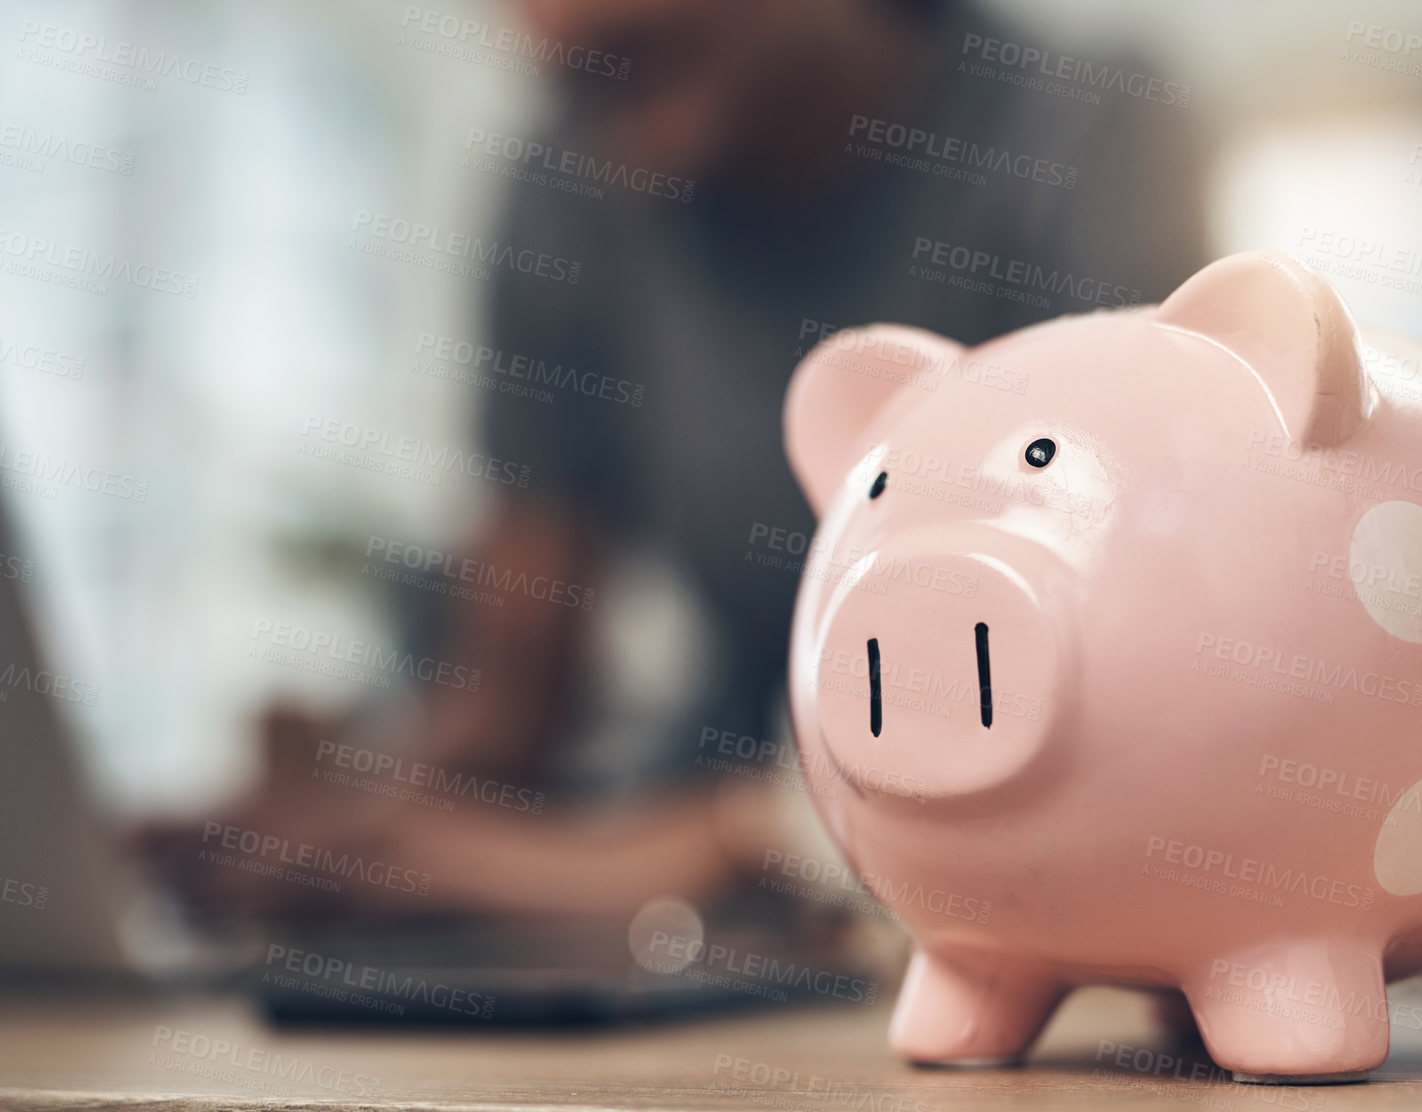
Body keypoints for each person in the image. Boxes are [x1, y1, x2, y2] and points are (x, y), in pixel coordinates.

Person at [141, 0, 1207, 924]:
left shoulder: (1079, 131)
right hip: (707, 845)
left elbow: (1147, 663)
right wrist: (345, 830)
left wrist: (724, 843)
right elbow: (510, 695)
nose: (557, 31)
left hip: (960, 857)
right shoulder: (570, 175)